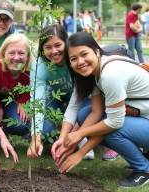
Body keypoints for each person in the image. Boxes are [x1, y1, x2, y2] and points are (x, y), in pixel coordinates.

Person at [52, 31, 149, 188]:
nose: (80, 61)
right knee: (85, 114)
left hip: (144, 120)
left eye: (84, 54)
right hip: (142, 118)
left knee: (113, 130)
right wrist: (66, 141)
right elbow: (96, 112)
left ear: (96, 51)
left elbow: (114, 123)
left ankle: (144, 169)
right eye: (74, 59)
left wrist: (80, 149)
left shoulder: (110, 75)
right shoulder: (95, 72)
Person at [27, 24, 94, 160]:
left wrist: (74, 132)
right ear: (42, 49)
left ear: (66, 42)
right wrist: (36, 137)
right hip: (55, 98)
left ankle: (81, 138)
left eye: (58, 45)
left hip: (80, 96)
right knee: (45, 131)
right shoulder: (40, 65)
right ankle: (57, 137)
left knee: (83, 112)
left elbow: (77, 100)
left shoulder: (74, 59)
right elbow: (37, 101)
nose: (54, 51)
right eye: (48, 47)